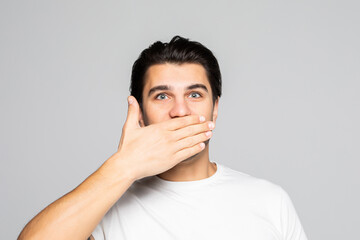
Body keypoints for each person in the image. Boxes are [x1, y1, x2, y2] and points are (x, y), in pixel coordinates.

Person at [18, 36, 308, 240]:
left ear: (215, 109)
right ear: (140, 114)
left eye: (195, 94)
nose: (180, 111)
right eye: (162, 96)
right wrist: (123, 166)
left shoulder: (270, 201)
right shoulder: (109, 207)